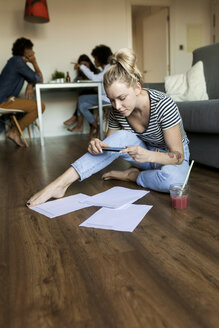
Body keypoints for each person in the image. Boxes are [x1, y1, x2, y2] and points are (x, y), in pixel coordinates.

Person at [27, 48, 190, 207]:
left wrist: (148, 156)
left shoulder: (163, 104)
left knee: (173, 181)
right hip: (142, 154)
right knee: (114, 140)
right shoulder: (116, 110)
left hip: (169, 157)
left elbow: (178, 157)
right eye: (112, 100)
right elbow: (109, 146)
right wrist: (97, 144)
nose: (117, 106)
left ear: (137, 88)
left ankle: (132, 176)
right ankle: (60, 184)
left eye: (122, 98)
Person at [0, 37, 45, 147]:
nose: (33, 51)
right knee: (39, 106)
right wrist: (34, 62)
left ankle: (13, 130)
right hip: (3, 101)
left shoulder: (16, 62)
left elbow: (33, 78)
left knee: (37, 106)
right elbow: (39, 79)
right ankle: (14, 132)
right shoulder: (17, 61)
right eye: (30, 49)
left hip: (7, 100)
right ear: (24, 52)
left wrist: (30, 84)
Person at [66, 45, 112, 137]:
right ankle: (96, 126)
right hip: (102, 97)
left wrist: (82, 67)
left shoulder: (109, 69)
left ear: (99, 58)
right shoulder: (107, 68)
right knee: (82, 103)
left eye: (95, 58)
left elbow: (95, 78)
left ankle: (81, 124)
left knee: (82, 99)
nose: (94, 61)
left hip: (106, 99)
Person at [63, 54, 100, 131]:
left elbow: (98, 85)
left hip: (98, 96)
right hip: (87, 98)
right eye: (82, 65)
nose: (84, 67)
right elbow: (75, 83)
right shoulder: (81, 74)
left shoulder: (96, 72)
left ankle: (75, 118)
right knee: (82, 102)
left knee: (82, 96)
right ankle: (96, 128)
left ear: (90, 63)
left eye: (85, 64)